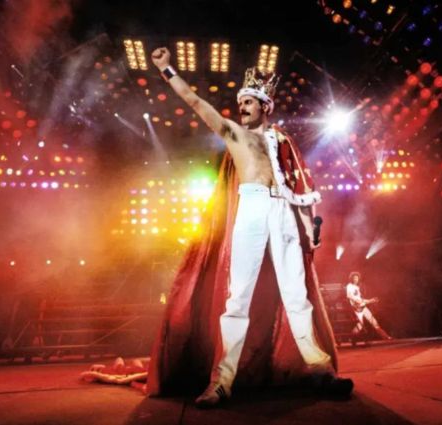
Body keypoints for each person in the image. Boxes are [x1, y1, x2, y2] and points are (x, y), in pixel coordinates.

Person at [147, 47, 353, 408]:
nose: (241, 106)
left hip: (284, 211)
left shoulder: (283, 141)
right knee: (237, 297)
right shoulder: (233, 134)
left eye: (248, 102)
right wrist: (167, 70)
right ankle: (222, 381)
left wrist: (309, 226)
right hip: (253, 206)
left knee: (296, 294)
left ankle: (321, 371)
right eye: (239, 101)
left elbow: (299, 186)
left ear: (265, 106)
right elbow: (196, 102)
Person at [346, 272, 392, 341]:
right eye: (354, 278)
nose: (356, 279)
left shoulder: (357, 287)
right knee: (360, 325)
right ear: (351, 279)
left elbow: (361, 299)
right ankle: (350, 338)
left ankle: (385, 337)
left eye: (357, 278)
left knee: (373, 321)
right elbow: (349, 296)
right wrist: (361, 301)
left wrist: (370, 300)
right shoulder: (349, 286)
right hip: (357, 308)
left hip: (362, 306)